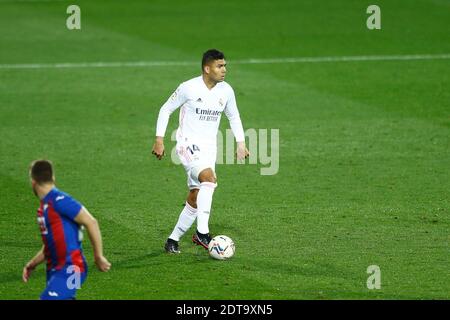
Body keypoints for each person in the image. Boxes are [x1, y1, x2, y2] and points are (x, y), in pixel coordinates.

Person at [152, 49, 249, 254]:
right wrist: (159, 139)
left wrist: (241, 143)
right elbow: (166, 109)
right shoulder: (188, 88)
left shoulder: (226, 91)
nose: (224, 70)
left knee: (197, 195)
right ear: (207, 68)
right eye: (219, 66)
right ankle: (202, 233)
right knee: (209, 179)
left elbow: (234, 117)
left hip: (209, 148)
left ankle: (173, 239)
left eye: (224, 66)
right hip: (187, 143)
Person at [23, 159, 111, 300]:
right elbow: (51, 245)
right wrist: (32, 264)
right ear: (53, 178)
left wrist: (98, 256)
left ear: (33, 182)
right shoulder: (44, 208)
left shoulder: (60, 200)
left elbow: (91, 222)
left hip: (72, 269)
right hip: (56, 271)